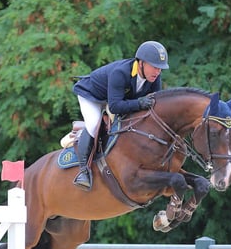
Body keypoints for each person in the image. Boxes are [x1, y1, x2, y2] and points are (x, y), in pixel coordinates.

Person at [71, 40, 169, 190]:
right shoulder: (121, 73)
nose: (158, 72)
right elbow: (116, 106)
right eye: (155, 67)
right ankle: (83, 171)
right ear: (141, 63)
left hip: (115, 99)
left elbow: (153, 104)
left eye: (160, 69)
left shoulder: (153, 78)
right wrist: (138, 104)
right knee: (94, 124)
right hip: (92, 95)